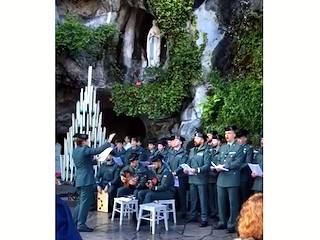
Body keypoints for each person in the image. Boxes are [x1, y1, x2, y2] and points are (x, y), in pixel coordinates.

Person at [72, 132, 116, 232]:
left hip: (79, 179)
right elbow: (97, 150)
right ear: (84, 141)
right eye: (87, 140)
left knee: (80, 202)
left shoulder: (75, 151)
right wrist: (109, 141)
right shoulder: (85, 149)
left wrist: (97, 160)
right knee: (85, 203)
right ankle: (81, 224)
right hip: (86, 180)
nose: (89, 141)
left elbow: (85, 162)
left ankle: (74, 222)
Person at [214, 126, 244, 233]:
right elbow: (218, 160)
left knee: (233, 204)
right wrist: (217, 166)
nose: (227, 135)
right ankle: (222, 222)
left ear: (234, 135)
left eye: (229, 133)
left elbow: (238, 162)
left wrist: (226, 165)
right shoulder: (222, 147)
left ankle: (232, 224)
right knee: (221, 203)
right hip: (221, 179)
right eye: (226, 133)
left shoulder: (239, 147)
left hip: (232, 179)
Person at [186, 132, 211, 227]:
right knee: (193, 199)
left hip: (201, 178)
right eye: (194, 138)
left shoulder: (206, 150)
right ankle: (193, 216)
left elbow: (207, 165)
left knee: (203, 199)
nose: (194, 140)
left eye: (197, 138)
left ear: (202, 140)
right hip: (192, 178)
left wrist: (197, 170)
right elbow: (189, 162)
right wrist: (186, 169)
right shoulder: (192, 150)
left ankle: (204, 218)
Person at [167, 135, 188, 218]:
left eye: (176, 140)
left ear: (180, 142)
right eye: (173, 140)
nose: (174, 142)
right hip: (171, 176)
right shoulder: (170, 152)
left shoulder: (184, 152)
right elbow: (167, 162)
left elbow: (183, 164)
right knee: (172, 193)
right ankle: (173, 211)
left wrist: (175, 172)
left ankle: (183, 212)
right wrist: (169, 171)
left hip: (180, 176)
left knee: (181, 194)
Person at [96, 152, 120, 218]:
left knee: (110, 191)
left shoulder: (116, 166)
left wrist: (109, 184)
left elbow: (116, 179)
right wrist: (98, 185)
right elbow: (98, 176)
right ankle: (96, 206)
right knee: (93, 188)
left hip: (112, 183)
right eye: (106, 155)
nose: (107, 157)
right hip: (103, 182)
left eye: (109, 155)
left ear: (111, 156)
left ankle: (113, 211)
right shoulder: (103, 165)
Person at [236, 129, 254, 206]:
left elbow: (248, 162)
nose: (238, 140)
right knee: (237, 197)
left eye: (240, 138)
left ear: (245, 139)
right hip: (235, 176)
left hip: (244, 176)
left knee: (244, 197)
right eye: (238, 138)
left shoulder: (248, 148)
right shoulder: (235, 148)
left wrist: (238, 167)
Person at [207, 133, 221, 220]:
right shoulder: (211, 151)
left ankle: (219, 213)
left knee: (218, 196)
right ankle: (213, 211)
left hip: (219, 175)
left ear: (219, 141)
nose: (212, 142)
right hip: (210, 175)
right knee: (211, 196)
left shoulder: (222, 150)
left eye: (214, 140)